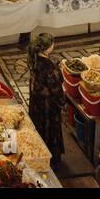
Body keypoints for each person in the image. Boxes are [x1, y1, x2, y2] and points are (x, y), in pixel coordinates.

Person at [27, 32, 65, 172]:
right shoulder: (49, 66)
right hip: (48, 108)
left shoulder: (34, 59)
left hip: (36, 104)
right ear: (48, 47)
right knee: (50, 133)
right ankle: (50, 161)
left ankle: (36, 154)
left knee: (38, 128)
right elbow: (56, 89)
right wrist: (62, 104)